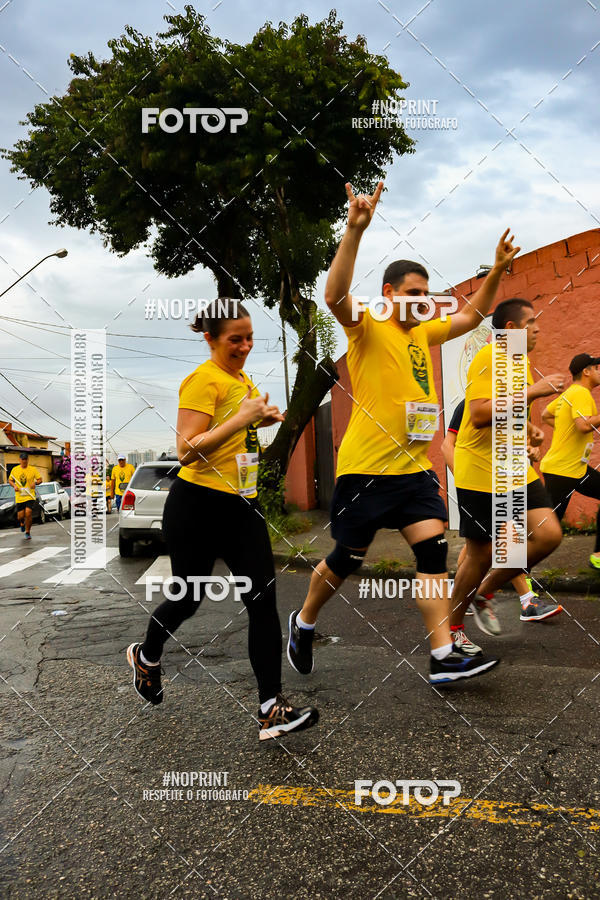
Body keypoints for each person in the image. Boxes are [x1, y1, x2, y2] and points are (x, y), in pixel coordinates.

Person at [288, 179, 518, 684]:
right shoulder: (367, 325)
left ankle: (441, 656)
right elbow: (334, 294)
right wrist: (354, 229)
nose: (422, 303)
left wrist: (498, 270)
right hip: (365, 471)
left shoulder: (424, 332)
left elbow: (473, 314)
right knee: (345, 560)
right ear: (389, 293)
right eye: (413, 295)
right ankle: (304, 621)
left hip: (416, 471)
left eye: (427, 296)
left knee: (433, 556)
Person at [127, 299, 319, 741]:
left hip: (242, 506)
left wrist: (263, 417)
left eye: (250, 337)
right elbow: (187, 449)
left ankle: (271, 708)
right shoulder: (202, 379)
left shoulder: (240, 379)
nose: (246, 346)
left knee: (263, 603)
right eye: (236, 339)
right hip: (197, 504)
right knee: (187, 599)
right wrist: (242, 418)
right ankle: (147, 655)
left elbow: (237, 437)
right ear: (210, 338)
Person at [450, 298, 564, 632]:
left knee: (548, 535)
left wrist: (529, 433)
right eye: (530, 323)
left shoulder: (520, 362)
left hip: (513, 467)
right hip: (481, 470)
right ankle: (451, 633)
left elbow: (507, 415)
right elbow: (480, 414)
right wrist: (532, 393)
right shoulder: (489, 356)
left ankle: (484, 593)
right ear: (511, 330)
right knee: (479, 555)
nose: (538, 329)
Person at [442, 390, 561, 643]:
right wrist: (465, 480)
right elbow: (446, 446)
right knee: (493, 547)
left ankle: (469, 595)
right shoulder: (470, 405)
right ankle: (516, 600)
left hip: (507, 483)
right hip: (478, 482)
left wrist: (528, 451)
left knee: (488, 549)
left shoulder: (509, 407)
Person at [540, 353, 600, 569]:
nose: (599, 372)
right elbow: (584, 425)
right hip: (562, 472)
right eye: (597, 368)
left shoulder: (569, 393)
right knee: (547, 532)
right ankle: (519, 572)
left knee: (547, 528)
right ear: (586, 372)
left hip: (576, 468)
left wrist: (564, 431)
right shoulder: (581, 393)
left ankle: (598, 555)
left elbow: (546, 414)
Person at [9, 451, 42, 540]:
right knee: (20, 516)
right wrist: (14, 485)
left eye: (25, 459)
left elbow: (40, 480)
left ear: (28, 460)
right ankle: (21, 522)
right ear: (19, 460)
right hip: (20, 496)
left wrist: (35, 483)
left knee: (28, 513)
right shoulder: (15, 469)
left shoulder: (32, 469)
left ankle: (28, 532)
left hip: (29, 495)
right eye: (22, 459)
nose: (24, 461)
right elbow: (10, 480)